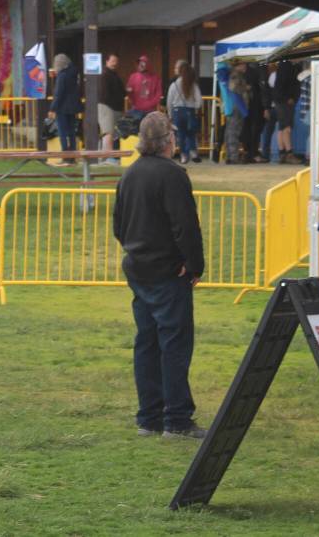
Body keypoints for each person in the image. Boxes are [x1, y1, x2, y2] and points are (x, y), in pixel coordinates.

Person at [113, 112, 206, 440]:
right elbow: (186, 226)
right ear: (169, 141)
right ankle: (177, 419)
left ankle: (149, 417)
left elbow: (119, 226)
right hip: (168, 271)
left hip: (139, 268)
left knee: (148, 343)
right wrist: (194, 265)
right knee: (174, 345)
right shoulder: (172, 175)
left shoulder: (130, 174)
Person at [261, 60, 302, 164]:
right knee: (286, 128)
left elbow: (275, 87)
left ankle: (282, 152)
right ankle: (289, 152)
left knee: (281, 128)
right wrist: (289, 97)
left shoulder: (277, 71)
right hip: (284, 102)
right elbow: (284, 85)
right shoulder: (287, 67)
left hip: (278, 102)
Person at [48, 53, 82, 165]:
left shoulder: (62, 76)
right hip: (73, 107)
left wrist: (52, 108)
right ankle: (72, 156)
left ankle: (65, 156)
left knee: (62, 133)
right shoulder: (74, 73)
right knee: (72, 132)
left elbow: (59, 93)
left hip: (62, 108)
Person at [167, 62, 203, 164]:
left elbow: (169, 101)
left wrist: (170, 114)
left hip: (177, 112)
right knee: (191, 133)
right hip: (190, 111)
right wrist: (193, 106)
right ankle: (193, 152)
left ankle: (183, 155)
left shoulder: (174, 85)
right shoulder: (193, 85)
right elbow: (199, 101)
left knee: (180, 134)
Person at [98, 54, 125, 164]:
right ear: (107, 62)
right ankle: (107, 158)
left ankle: (104, 157)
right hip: (106, 106)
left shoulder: (114, 75)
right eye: (112, 61)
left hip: (114, 107)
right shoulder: (104, 75)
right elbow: (105, 94)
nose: (115, 63)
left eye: (116, 61)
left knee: (111, 133)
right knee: (108, 132)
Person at [224, 63, 251, 164]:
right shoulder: (235, 74)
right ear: (237, 65)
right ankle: (233, 157)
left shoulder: (234, 74)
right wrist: (246, 88)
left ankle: (230, 156)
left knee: (230, 132)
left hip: (233, 106)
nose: (245, 67)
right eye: (243, 64)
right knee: (234, 132)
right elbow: (233, 88)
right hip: (237, 106)